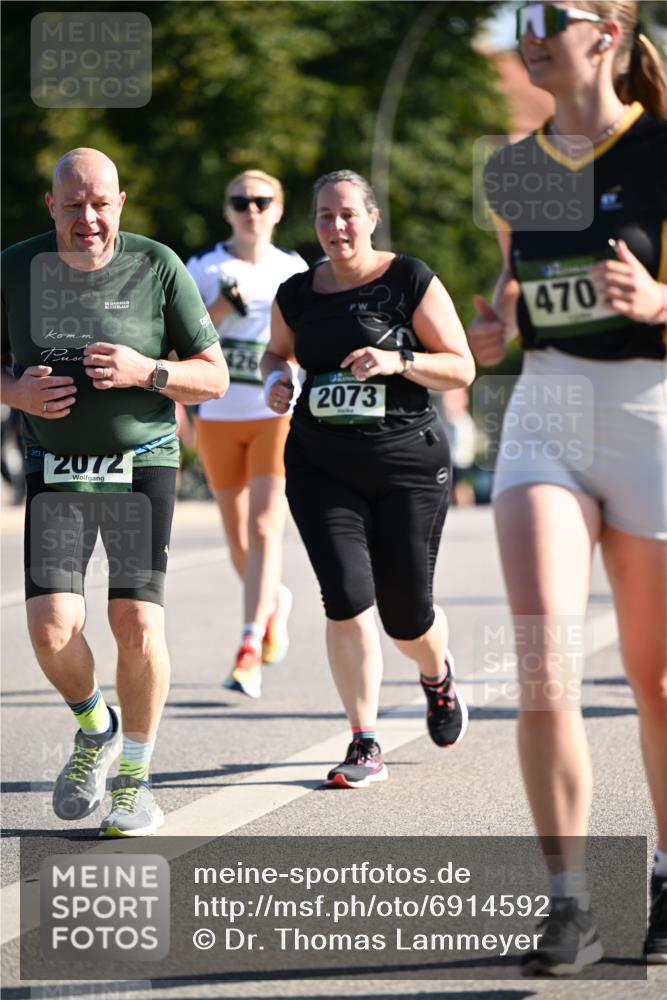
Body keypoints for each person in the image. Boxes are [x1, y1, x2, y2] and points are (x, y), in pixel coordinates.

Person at [468, 1, 667, 972]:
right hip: (547, 413)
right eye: (522, 15)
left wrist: (663, 299)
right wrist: (496, 328)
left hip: (650, 417)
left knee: (656, 680)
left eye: (553, 13)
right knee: (544, 656)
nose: (530, 30)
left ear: (608, 32)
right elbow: (518, 288)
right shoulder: (512, 167)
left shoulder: (662, 151)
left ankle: (666, 872)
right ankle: (569, 903)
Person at [0, 148, 228, 836]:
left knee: (135, 623)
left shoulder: (157, 265)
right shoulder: (16, 266)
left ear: (120, 203)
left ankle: (134, 779)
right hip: (55, 465)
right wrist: (13, 390)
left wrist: (147, 371)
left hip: (141, 463)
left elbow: (213, 377)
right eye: (73, 204)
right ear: (51, 206)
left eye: (100, 203)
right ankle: (94, 728)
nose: (88, 218)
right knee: (51, 630)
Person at [262, 169, 475, 788]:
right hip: (320, 464)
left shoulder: (409, 278)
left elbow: (460, 367)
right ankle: (364, 741)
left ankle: (436, 675)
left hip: (407, 464)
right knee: (347, 597)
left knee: (406, 616)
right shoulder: (298, 293)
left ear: (371, 217)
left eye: (347, 214)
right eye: (325, 216)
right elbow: (278, 353)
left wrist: (399, 360)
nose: (336, 227)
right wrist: (279, 379)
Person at [186, 170, 307, 698]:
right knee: (238, 542)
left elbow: (307, 341)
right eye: (241, 200)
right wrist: (219, 309)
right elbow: (177, 346)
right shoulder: (202, 267)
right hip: (215, 416)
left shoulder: (294, 269)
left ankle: (249, 645)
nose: (251, 209)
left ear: (278, 210)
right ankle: (274, 601)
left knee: (264, 530)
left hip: (271, 413)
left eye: (261, 200)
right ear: (227, 208)